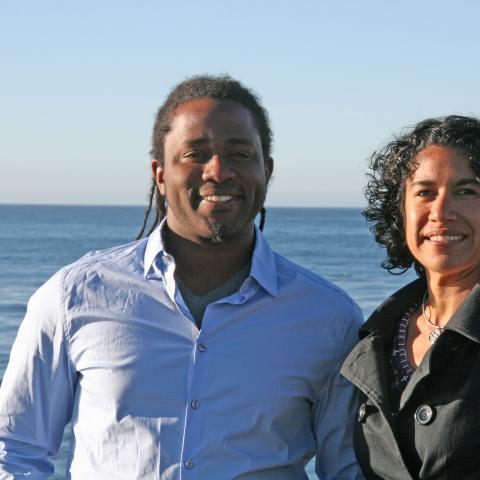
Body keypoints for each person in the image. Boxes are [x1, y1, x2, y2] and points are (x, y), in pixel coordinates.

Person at [0, 75, 364, 479]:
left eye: (240, 154)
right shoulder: (73, 297)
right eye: (195, 154)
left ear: (267, 171)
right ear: (159, 173)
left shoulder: (329, 318)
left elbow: (348, 469)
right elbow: (13, 449)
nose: (218, 171)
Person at [341, 115, 480, 479]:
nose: (441, 212)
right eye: (425, 192)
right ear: (400, 210)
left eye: (467, 192)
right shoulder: (375, 340)